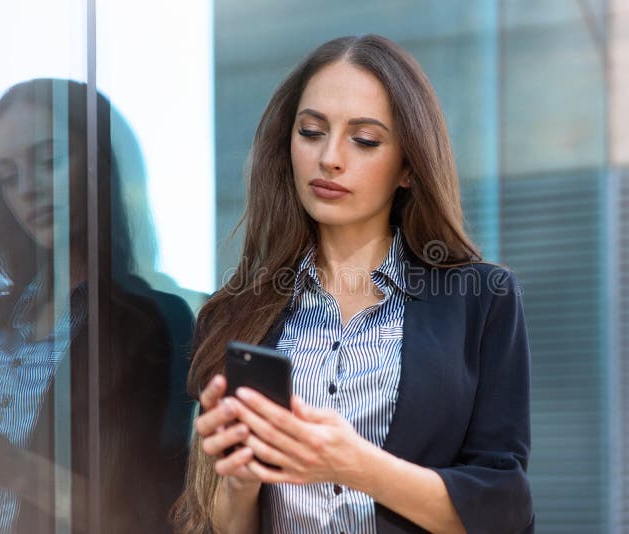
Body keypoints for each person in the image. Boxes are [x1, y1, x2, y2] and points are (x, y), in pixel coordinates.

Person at [172, 34, 533, 533]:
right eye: (312, 131)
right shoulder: (232, 312)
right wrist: (238, 483)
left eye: (364, 140)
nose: (330, 158)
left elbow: (504, 509)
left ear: (408, 166)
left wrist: (353, 464)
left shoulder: (480, 299)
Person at [0, 78, 194, 533]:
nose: (27, 190)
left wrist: (16, 468)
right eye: (9, 176)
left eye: (49, 161)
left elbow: (150, 511)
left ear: (97, 165)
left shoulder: (150, 323)